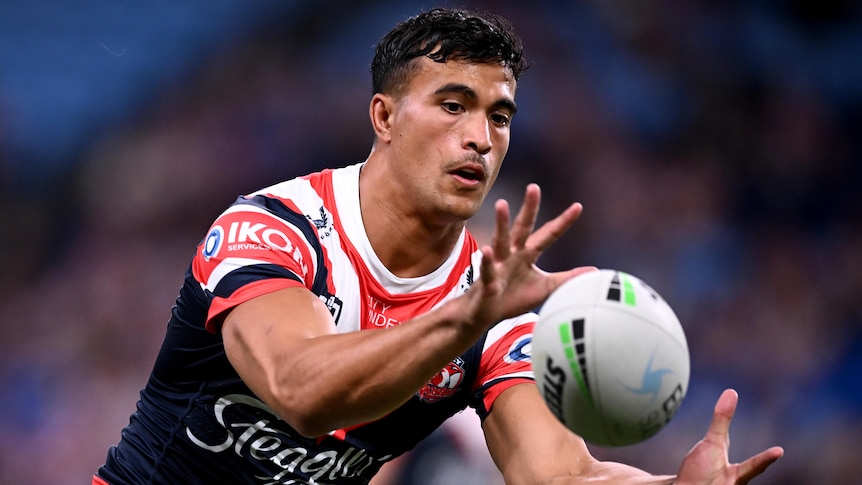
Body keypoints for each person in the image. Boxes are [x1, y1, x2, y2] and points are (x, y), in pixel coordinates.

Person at [94, 7, 783, 484]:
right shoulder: (270, 229)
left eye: (500, 116)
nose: (481, 138)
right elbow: (301, 391)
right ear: (385, 117)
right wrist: (467, 315)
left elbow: (556, 471)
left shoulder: (493, 306)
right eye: (454, 105)